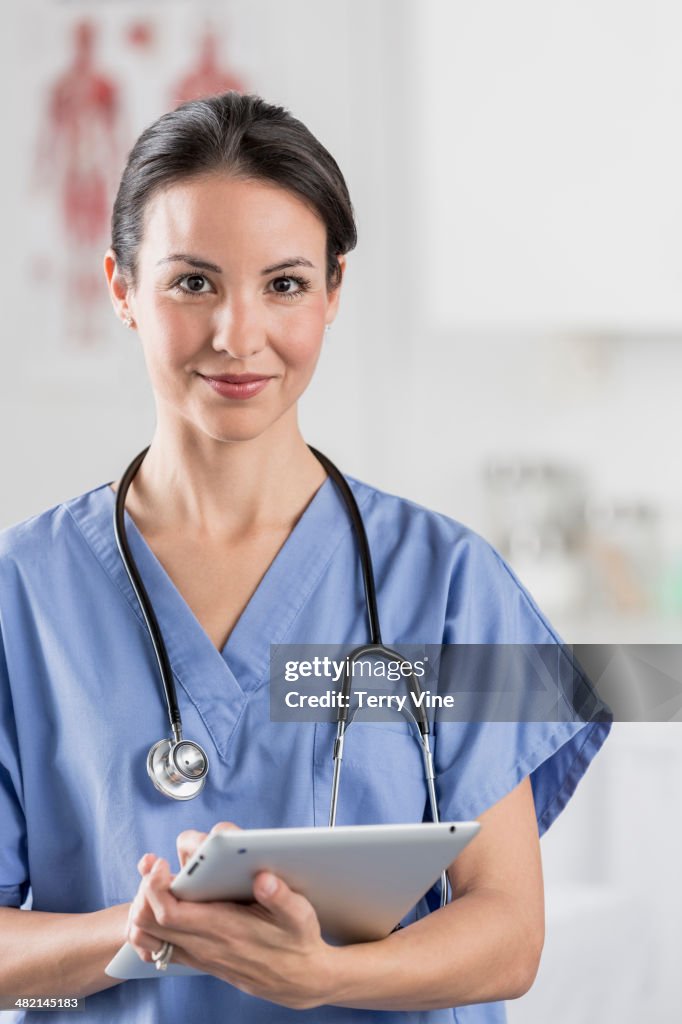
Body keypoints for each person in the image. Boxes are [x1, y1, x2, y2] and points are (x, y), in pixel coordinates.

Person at [0, 91, 611, 1023]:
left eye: (283, 284)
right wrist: (147, 930)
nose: (237, 335)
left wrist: (324, 977)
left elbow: (509, 932)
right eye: (192, 282)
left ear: (332, 293)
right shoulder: (22, 594)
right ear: (122, 288)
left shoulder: (450, 583)